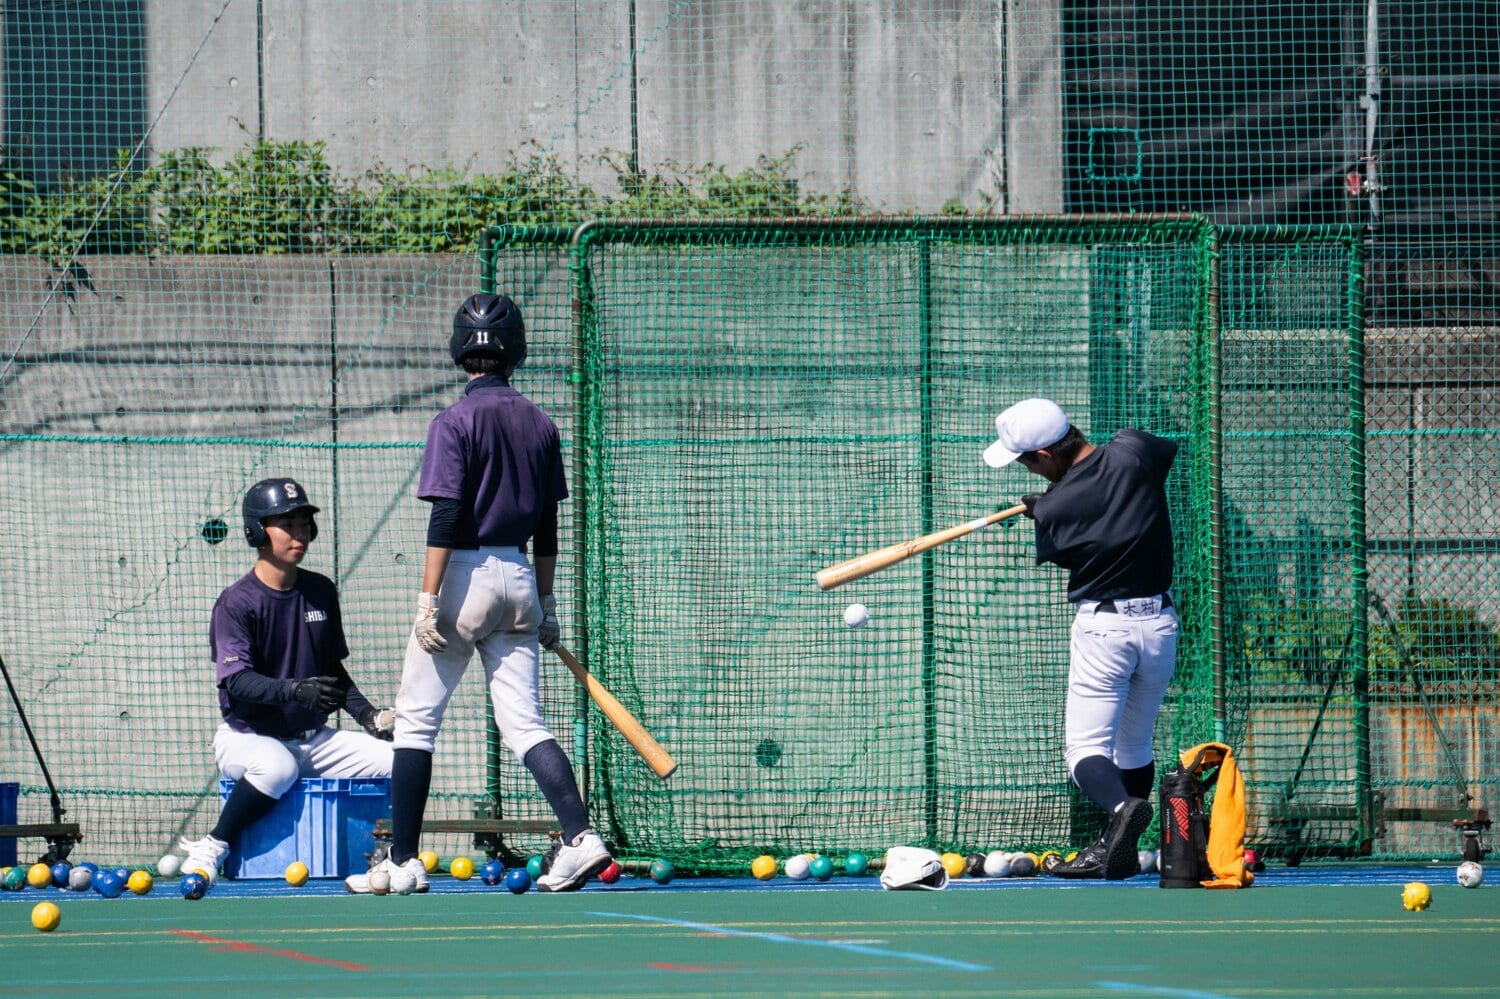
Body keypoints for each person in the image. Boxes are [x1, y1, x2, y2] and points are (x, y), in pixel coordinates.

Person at [344, 293, 610, 894]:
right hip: (520, 575)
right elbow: (548, 522)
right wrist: (545, 602)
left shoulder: (453, 422)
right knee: (525, 725)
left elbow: (446, 516)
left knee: (415, 724)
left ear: (460, 349)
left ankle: (404, 861)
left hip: (463, 574)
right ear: (515, 350)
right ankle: (578, 835)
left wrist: (427, 599)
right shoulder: (542, 423)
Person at [983, 397, 1179, 880]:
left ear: (1045, 455)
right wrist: (1053, 504)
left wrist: (1045, 509)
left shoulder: (1054, 508)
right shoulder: (1134, 449)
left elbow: (1075, 546)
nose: (1028, 472)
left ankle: (1120, 812)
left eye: (1026, 462)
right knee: (1134, 744)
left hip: (1106, 629)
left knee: (1084, 750)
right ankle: (1122, 851)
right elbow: (1157, 457)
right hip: (1161, 625)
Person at [178, 477, 395, 883]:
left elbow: (332, 669)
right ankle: (214, 845)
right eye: (286, 525)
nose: (299, 534)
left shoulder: (321, 590)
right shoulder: (237, 602)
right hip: (248, 737)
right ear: (257, 532)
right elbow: (237, 681)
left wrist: (367, 715)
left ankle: (387, 854)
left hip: (312, 738)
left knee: (403, 758)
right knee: (276, 766)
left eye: (303, 524)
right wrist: (293, 690)